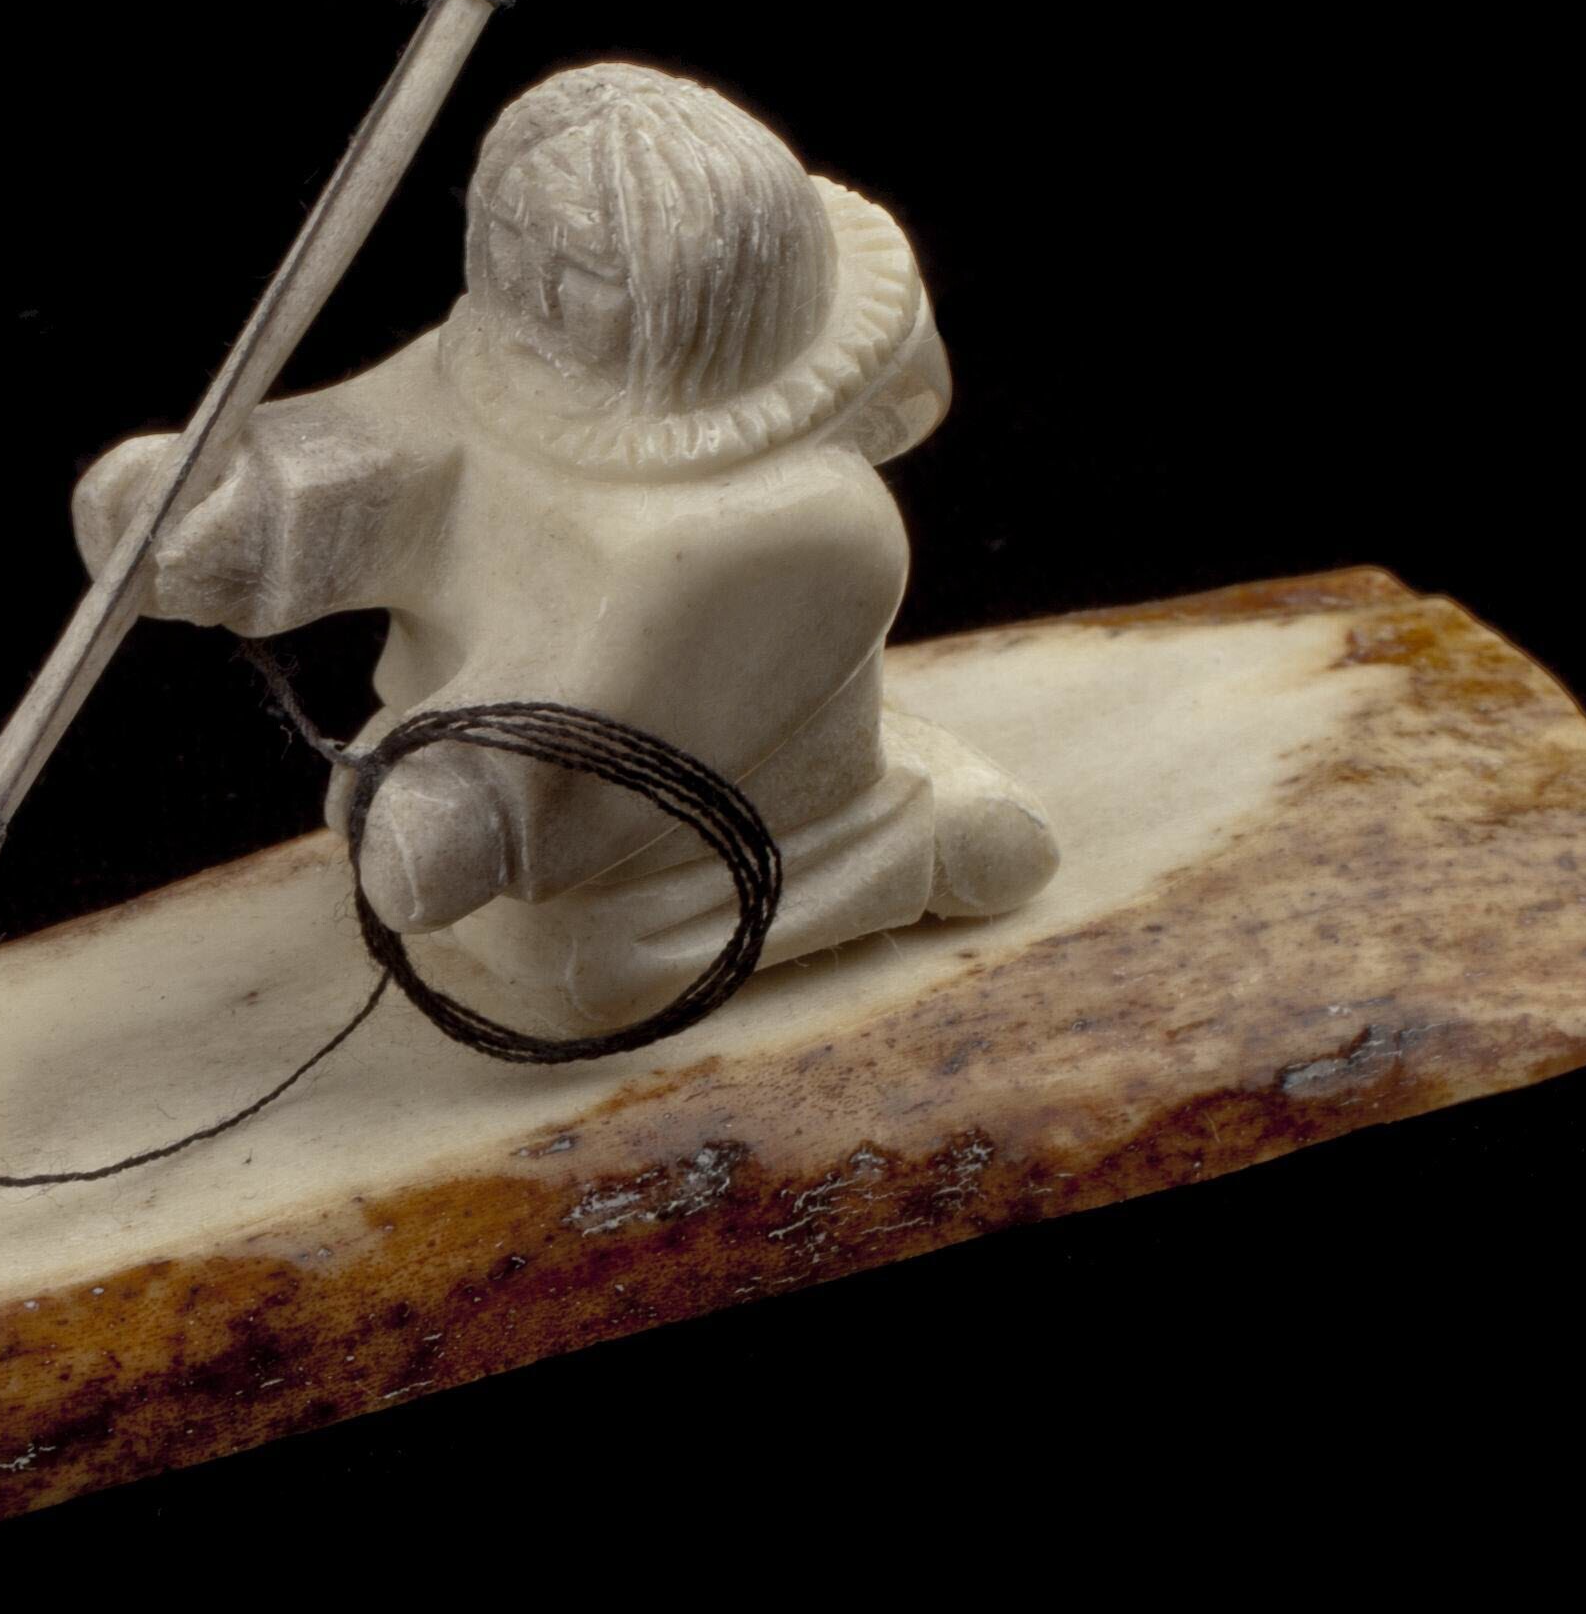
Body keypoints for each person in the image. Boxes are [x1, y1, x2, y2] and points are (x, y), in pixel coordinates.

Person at [73, 62, 1054, 1032]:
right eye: (506, 235)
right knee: (486, 897)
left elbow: (625, 710)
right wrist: (232, 508)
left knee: (581, 959)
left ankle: (896, 839)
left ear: (702, 295)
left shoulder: (793, 522)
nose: (530, 285)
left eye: (585, 273)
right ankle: (456, 797)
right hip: (435, 753)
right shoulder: (494, 362)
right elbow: (372, 454)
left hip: (663, 827)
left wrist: (481, 803)